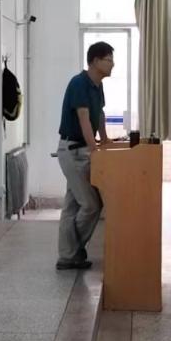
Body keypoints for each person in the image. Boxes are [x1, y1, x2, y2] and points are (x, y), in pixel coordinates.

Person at [55, 41, 114, 270]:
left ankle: (68, 255)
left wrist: (105, 139)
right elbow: (83, 118)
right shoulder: (79, 83)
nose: (112, 64)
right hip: (72, 151)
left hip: (81, 150)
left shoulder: (98, 86)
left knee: (72, 206)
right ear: (95, 61)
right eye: (108, 59)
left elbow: (99, 115)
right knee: (90, 205)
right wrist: (94, 149)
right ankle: (72, 251)